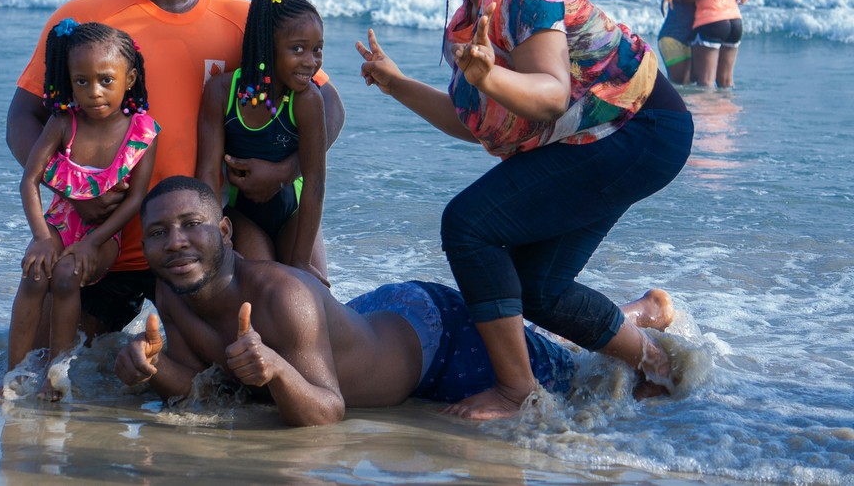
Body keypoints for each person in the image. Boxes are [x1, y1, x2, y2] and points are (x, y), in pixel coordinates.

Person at [355, 0, 694, 420]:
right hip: (611, 136)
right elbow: (474, 124)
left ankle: (518, 391)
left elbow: (550, 93)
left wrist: (490, 76)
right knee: (539, 287)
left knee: (469, 226)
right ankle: (655, 364)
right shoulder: (469, 11)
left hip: (639, 129)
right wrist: (396, 84)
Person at [6, 0, 344, 342]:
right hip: (109, 239)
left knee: (250, 362)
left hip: (203, 243)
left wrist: (285, 170)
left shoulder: (247, 23)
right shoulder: (85, 19)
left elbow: (327, 104)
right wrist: (80, 190)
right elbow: (23, 118)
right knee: (50, 363)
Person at [113, 177, 676, 426]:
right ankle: (635, 311)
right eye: (159, 233)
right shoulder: (172, 286)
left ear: (227, 232)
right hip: (373, 317)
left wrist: (279, 370)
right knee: (539, 346)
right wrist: (149, 368)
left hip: (437, 340)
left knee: (571, 375)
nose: (176, 242)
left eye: (192, 225)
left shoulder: (281, 297)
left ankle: (643, 319)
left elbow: (326, 412)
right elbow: (204, 393)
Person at [0, 20, 159, 400]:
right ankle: (12, 377)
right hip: (57, 224)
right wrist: (40, 237)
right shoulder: (63, 122)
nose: (93, 92)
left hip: (104, 236)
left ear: (129, 79)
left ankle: (54, 377)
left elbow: (135, 199)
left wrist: (91, 243)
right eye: (81, 81)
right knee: (35, 274)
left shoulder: (142, 132)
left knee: (66, 274)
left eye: (105, 80)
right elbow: (29, 180)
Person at [197, 0, 328, 285]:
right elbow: (206, 172)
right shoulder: (223, 91)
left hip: (292, 212)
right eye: (298, 49)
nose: (311, 62)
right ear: (268, 46)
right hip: (241, 214)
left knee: (308, 287)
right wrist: (213, 231)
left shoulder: (307, 101)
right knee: (265, 285)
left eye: (317, 49)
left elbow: (315, 183)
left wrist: (301, 261)